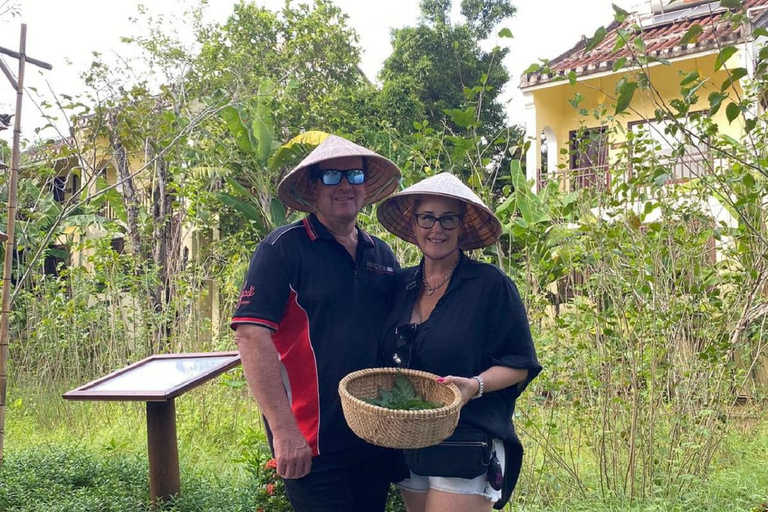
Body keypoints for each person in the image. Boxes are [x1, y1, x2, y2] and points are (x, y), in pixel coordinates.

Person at [231, 135, 403, 512]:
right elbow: (251, 336)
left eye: (354, 176)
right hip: (310, 437)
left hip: (374, 433)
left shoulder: (382, 254)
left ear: (365, 185)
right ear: (312, 186)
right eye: (331, 177)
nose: (345, 186)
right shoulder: (283, 248)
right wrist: (283, 430)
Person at [376, 172, 541, 512]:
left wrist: (474, 386)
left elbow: (519, 363)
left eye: (448, 219)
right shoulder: (400, 284)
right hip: (409, 439)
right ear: (414, 223)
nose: (437, 229)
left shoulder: (489, 285)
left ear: (462, 226)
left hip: (465, 439)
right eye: (428, 218)